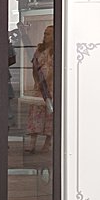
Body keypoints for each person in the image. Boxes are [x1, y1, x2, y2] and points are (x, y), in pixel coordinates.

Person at [25, 25, 55, 153]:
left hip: (51, 87)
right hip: (39, 87)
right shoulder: (39, 49)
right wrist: (37, 81)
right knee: (35, 114)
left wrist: (46, 80)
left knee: (49, 115)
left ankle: (47, 143)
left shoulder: (55, 51)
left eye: (48, 34)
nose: (45, 36)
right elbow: (34, 66)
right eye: (44, 33)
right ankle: (32, 143)